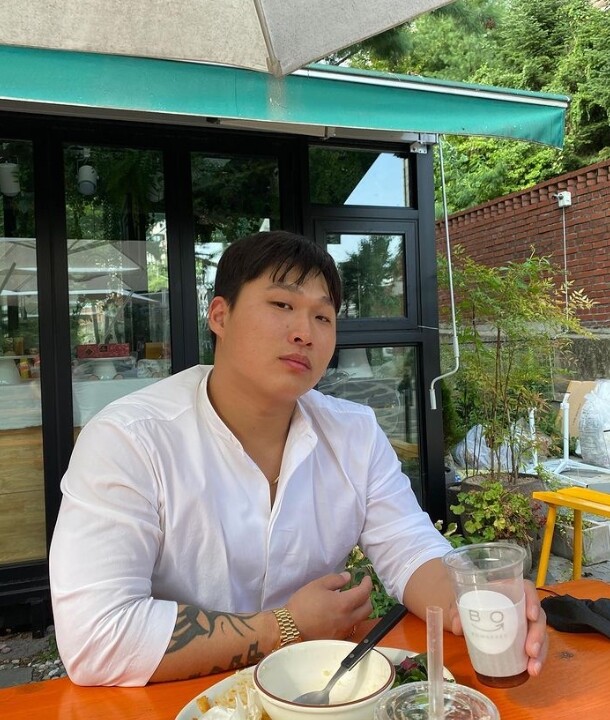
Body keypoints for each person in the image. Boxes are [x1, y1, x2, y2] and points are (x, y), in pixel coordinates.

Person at [49, 230, 547, 687]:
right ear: (220, 316)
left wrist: (477, 601)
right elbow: (97, 636)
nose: (305, 332)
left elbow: (410, 550)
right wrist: (286, 627)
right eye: (282, 304)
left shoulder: (353, 434)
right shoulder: (130, 440)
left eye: (323, 317)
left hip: (320, 691)